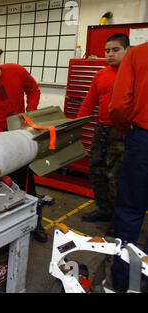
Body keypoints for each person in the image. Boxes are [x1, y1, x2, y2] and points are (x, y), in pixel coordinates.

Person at [0, 47, 47, 243]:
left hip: (22, 132)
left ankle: (36, 222)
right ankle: (3, 229)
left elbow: (33, 90)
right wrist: (7, 142)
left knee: (27, 183)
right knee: (0, 184)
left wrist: (30, 115)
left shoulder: (16, 71)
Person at [77, 33, 129, 223]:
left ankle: (120, 219)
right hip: (102, 129)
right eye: (107, 51)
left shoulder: (133, 73)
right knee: (96, 170)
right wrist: (75, 127)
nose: (110, 54)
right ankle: (105, 210)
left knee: (116, 176)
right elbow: (88, 102)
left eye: (116, 50)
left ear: (126, 50)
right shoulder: (100, 75)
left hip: (123, 131)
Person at [109, 42, 148, 292]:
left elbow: (120, 106)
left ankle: (123, 278)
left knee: (130, 211)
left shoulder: (138, 53)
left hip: (143, 139)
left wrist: (127, 133)